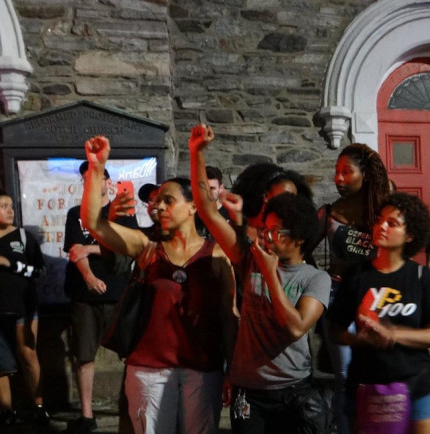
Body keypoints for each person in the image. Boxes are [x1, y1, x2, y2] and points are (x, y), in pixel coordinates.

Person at [80, 135, 237, 434]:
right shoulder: (147, 247)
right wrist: (97, 167)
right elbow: (94, 224)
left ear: (193, 207)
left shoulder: (216, 255)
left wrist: (232, 369)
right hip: (148, 370)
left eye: (169, 200)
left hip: (203, 370)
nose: (159, 206)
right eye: (157, 200)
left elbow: (228, 317)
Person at [188, 124, 331, 433]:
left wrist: (269, 274)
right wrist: (197, 152)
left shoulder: (316, 278)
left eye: (275, 232)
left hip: (293, 389)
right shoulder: (250, 257)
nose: (266, 237)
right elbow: (207, 211)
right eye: (265, 229)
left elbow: (295, 327)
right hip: (249, 390)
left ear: (298, 238)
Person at [327, 193, 430, 433]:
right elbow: (335, 329)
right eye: (379, 220)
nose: (381, 226)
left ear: (409, 235)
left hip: (416, 385)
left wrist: (393, 334)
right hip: (366, 386)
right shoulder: (357, 276)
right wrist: (359, 338)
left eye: (392, 223)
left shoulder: (420, 277)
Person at [317, 143, 391, 434]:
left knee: (379, 372)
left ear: (366, 174)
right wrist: (319, 281)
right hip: (340, 297)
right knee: (346, 376)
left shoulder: (384, 207)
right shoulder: (330, 212)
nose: (339, 178)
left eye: (347, 172)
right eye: (336, 172)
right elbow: (301, 246)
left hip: (378, 298)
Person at [64, 162, 138, 433]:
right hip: (85, 296)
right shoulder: (76, 214)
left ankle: (130, 408)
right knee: (84, 355)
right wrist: (89, 277)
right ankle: (87, 415)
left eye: (94, 177)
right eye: (86, 179)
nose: (90, 183)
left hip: (119, 293)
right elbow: (75, 250)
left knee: (131, 354)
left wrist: (91, 248)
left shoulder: (122, 212)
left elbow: (128, 246)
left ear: (107, 181)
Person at [0, 190, 48, 426]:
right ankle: (7, 411)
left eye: (11, 205)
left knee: (28, 354)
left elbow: (40, 271)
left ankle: (39, 407)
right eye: (3, 206)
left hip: (23, 305)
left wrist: (10, 264)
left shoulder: (23, 237)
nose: (10, 210)